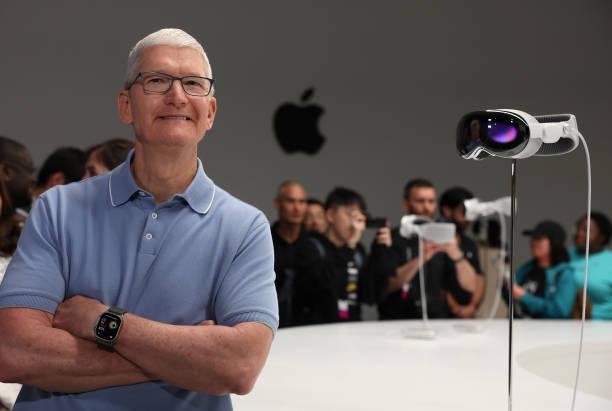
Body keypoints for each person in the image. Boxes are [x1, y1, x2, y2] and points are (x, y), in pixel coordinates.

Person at [0, 28, 278, 410]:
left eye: (193, 83)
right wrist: (184, 357)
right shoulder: (57, 209)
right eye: (157, 80)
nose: (177, 95)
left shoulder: (245, 228)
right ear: (125, 105)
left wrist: (105, 322)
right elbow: (15, 351)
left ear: (210, 112)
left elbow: (240, 366)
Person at [377, 178, 475, 320]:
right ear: (406, 203)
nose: (426, 207)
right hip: (397, 319)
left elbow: (469, 287)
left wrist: (456, 254)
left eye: (431, 201)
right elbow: (386, 285)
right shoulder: (391, 239)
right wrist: (420, 258)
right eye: (420, 201)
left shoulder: (442, 239)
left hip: (436, 319)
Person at [292, 187, 387, 324]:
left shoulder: (357, 251)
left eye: (359, 216)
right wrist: (348, 247)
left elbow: (371, 297)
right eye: (350, 215)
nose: (355, 222)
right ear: (330, 215)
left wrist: (379, 252)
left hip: (352, 330)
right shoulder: (311, 247)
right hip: (315, 333)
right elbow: (319, 291)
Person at [506, 221, 576, 318]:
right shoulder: (526, 269)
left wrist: (524, 297)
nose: (533, 242)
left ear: (553, 242)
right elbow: (512, 301)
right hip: (521, 327)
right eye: (533, 238)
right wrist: (505, 287)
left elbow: (560, 311)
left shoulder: (563, 274)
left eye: (539, 239)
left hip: (549, 331)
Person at [438, 187, 485, 318]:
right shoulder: (432, 241)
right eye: (464, 211)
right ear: (447, 210)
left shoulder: (470, 244)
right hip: (439, 317)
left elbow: (478, 277)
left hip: (466, 318)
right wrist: (454, 307)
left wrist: (473, 306)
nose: (469, 218)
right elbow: (435, 281)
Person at [271, 180, 308, 327]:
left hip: (310, 329)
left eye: (302, 202)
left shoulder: (314, 246)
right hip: (271, 326)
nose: (297, 208)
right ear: (277, 203)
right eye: (290, 201)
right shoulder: (263, 241)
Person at [570, 212, 612, 320]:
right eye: (577, 229)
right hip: (562, 326)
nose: (579, 233)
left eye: (586, 230)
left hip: (603, 328)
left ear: (602, 237)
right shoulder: (564, 257)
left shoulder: (609, 261)